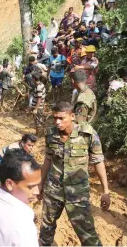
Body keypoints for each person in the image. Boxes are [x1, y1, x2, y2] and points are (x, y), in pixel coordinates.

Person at [39, 101, 110, 246]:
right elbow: (47, 159)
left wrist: (106, 191)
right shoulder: (51, 134)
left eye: (61, 118)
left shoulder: (87, 133)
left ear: (72, 116)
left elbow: (98, 162)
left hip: (77, 194)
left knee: (88, 235)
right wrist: (40, 184)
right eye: (55, 118)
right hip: (53, 191)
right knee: (46, 230)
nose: (57, 122)